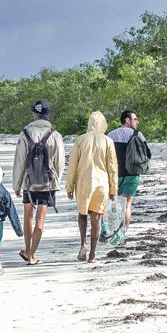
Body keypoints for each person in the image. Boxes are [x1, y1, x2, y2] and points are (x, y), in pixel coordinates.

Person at [11, 99, 67, 266]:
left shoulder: (25, 133)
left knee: (27, 217)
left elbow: (19, 161)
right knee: (40, 220)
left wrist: (17, 184)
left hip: (28, 182)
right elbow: (60, 162)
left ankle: (27, 249)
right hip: (47, 183)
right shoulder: (55, 135)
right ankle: (32, 255)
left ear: (33, 115)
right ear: (48, 115)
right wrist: (56, 180)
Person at [66, 111, 118, 263]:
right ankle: (93, 254)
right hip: (101, 183)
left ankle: (83, 243)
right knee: (96, 217)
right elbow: (112, 167)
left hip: (83, 182)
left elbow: (72, 166)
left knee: (82, 214)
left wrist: (69, 186)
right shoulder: (108, 141)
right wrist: (113, 189)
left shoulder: (80, 140)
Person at [107, 109, 151, 230]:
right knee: (127, 205)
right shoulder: (138, 134)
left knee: (114, 204)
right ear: (127, 120)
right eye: (135, 119)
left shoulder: (111, 135)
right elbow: (148, 154)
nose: (137, 122)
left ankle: (113, 230)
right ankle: (123, 234)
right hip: (132, 174)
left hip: (114, 175)